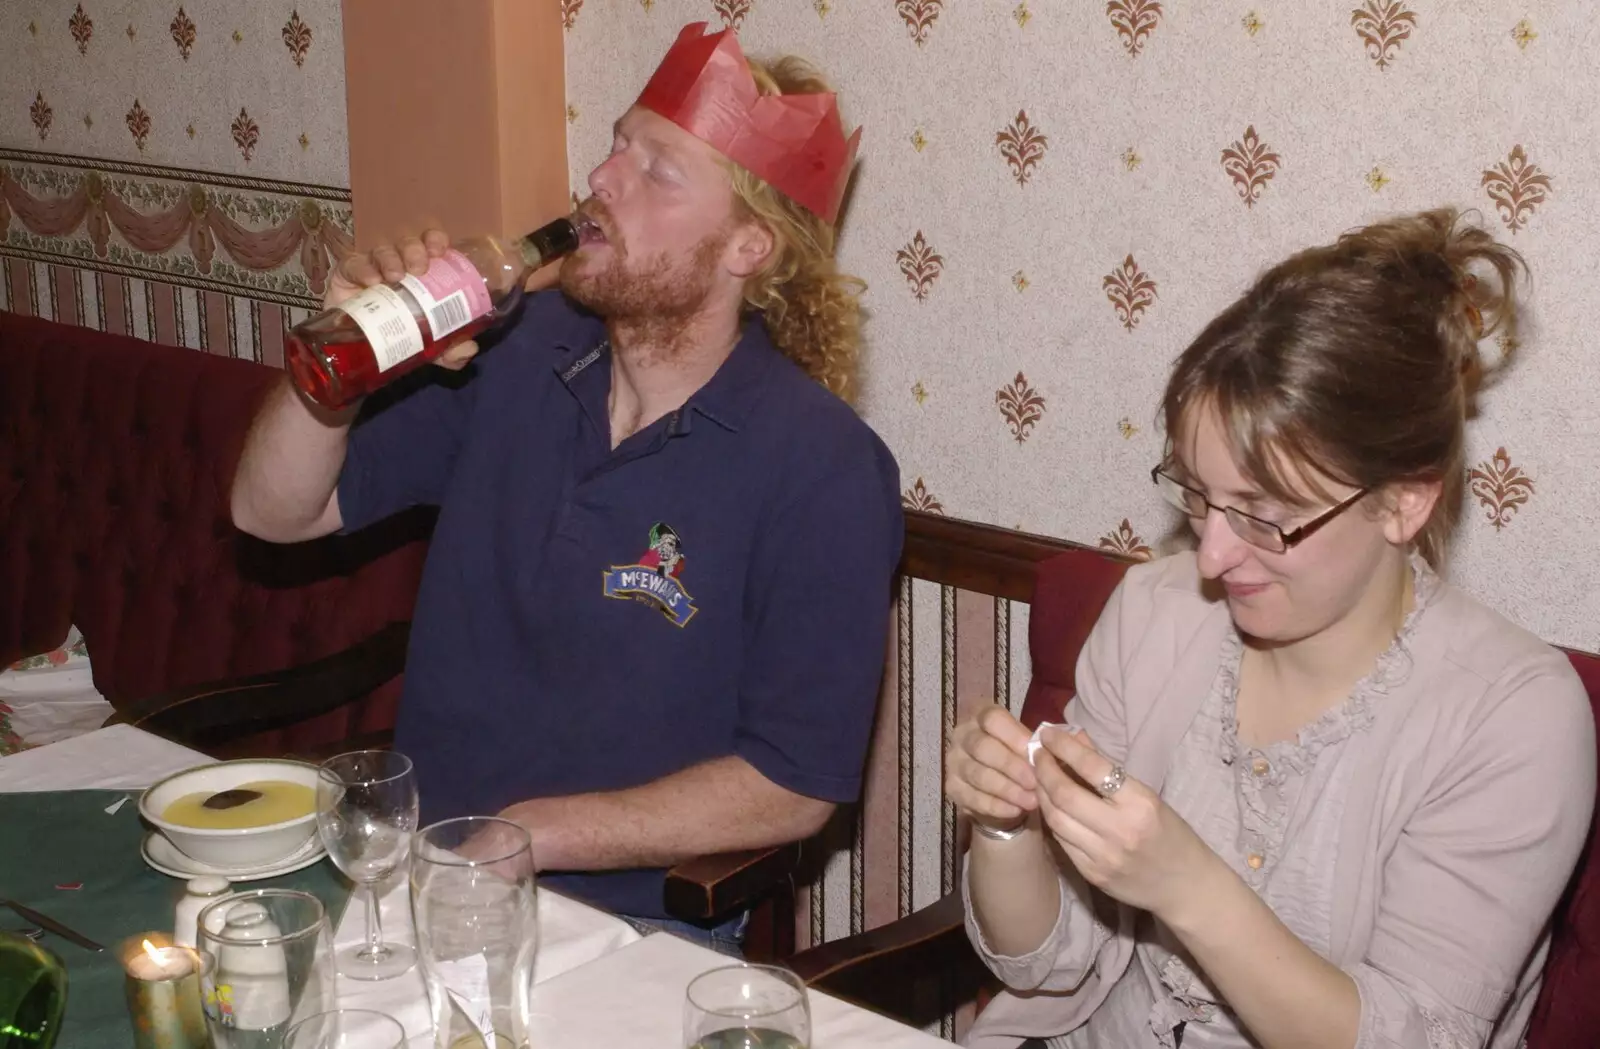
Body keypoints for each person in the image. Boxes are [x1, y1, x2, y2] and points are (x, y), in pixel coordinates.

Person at [231, 22, 903, 952]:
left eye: (658, 169)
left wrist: (532, 836)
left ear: (749, 246)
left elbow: (794, 783)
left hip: (633, 934)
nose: (604, 178)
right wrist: (334, 365)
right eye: (618, 145)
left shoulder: (823, 467)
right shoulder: (512, 352)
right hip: (413, 888)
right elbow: (271, 512)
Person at [945, 208, 1596, 1048]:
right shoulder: (1154, 612)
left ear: (1405, 499)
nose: (1212, 556)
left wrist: (1186, 883)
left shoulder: (1513, 716)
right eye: (1196, 495)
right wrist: (1006, 826)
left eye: (1266, 516)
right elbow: (1046, 964)